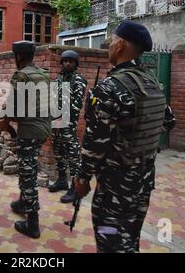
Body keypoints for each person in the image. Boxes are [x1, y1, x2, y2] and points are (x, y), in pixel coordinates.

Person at [74, 20, 176, 253]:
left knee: (109, 241)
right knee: (129, 239)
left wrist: (82, 179)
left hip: (114, 187)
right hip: (143, 180)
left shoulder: (111, 87)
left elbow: (95, 143)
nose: (109, 46)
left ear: (119, 45)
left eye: (111, 41)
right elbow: (169, 120)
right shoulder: (152, 83)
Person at [1, 41, 51, 239]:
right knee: (28, 166)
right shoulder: (43, 74)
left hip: (29, 131)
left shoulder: (21, 75)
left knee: (27, 174)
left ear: (18, 57)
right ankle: (23, 203)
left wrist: (5, 121)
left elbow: (13, 106)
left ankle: (33, 224)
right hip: (43, 129)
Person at [48, 50, 87, 204]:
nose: (67, 63)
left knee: (73, 156)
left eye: (71, 61)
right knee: (58, 151)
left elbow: (76, 106)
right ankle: (62, 180)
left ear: (75, 63)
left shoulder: (79, 81)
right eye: (65, 61)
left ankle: (75, 188)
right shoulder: (58, 79)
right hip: (56, 123)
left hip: (68, 124)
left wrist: (60, 115)